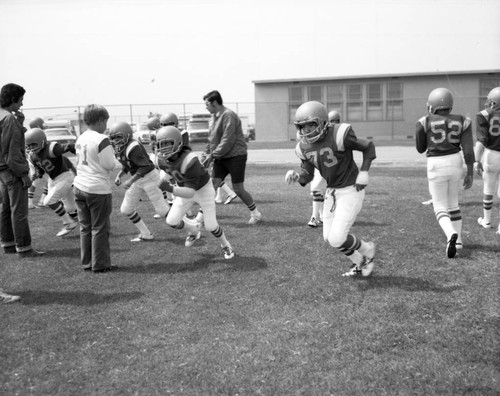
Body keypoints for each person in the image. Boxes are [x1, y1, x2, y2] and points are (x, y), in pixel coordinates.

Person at [285, 101, 376, 277]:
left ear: (323, 122)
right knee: (329, 238)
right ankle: (361, 262)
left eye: (310, 125)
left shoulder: (339, 134)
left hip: (350, 189)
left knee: (337, 238)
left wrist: (363, 172)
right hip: (332, 191)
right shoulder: (303, 147)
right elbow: (307, 174)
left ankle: (367, 249)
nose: (305, 131)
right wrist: (297, 176)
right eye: (301, 127)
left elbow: (368, 147)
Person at [155, 125, 234, 259]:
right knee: (172, 221)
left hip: (203, 190)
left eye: (168, 144)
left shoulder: (190, 160)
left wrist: (169, 188)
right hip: (184, 188)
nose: (164, 149)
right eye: (161, 145)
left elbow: (190, 193)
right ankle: (194, 228)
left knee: (211, 226)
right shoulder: (162, 160)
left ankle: (226, 245)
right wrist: (165, 179)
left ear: (178, 143)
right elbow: (170, 171)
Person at [416, 88, 474, 257]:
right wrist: (470, 171)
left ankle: (451, 235)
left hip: (436, 162)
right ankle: (460, 241)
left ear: (431, 104)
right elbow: (468, 150)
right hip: (455, 160)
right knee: (453, 203)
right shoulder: (463, 120)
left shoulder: (424, 121)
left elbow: (420, 148)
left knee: (439, 205)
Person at [201, 90, 262, 224]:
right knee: (212, 186)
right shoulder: (215, 117)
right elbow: (212, 140)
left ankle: (256, 214)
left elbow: (227, 140)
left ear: (215, 102)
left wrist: (212, 156)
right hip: (221, 157)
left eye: (207, 104)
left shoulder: (229, 115)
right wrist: (206, 155)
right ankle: (200, 218)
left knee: (238, 189)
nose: (205, 107)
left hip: (236, 156)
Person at [0, 83, 45, 258]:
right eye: (20, 100)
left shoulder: (6, 118)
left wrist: (19, 123)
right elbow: (12, 151)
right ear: (13, 99)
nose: (21, 104)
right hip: (12, 170)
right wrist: (23, 174)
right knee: (19, 210)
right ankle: (24, 248)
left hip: (2, 170)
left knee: (5, 209)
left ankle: (8, 244)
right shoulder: (8, 119)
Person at [73, 104, 117, 272]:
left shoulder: (81, 137)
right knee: (100, 228)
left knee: (85, 228)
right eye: (105, 121)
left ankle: (87, 262)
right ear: (100, 120)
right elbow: (110, 164)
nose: (106, 125)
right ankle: (101, 264)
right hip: (97, 188)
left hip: (79, 185)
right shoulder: (101, 139)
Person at [109, 121, 170, 241]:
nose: (115, 140)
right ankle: (146, 234)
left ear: (127, 135)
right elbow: (128, 164)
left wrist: (131, 180)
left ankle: (192, 227)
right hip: (138, 179)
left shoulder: (133, 146)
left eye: (118, 137)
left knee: (162, 211)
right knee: (126, 209)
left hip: (150, 178)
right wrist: (120, 175)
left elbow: (146, 166)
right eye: (113, 137)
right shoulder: (121, 148)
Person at [25, 127, 79, 237]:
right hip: (53, 179)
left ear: (43, 141)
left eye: (34, 144)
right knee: (70, 207)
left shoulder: (51, 148)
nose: (31, 148)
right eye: (29, 145)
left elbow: (69, 147)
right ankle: (87, 220)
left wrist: (79, 154)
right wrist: (37, 173)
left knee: (48, 201)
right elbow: (39, 168)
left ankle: (69, 223)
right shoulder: (32, 155)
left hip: (64, 177)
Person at [307, 110, 342, 228]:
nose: (335, 123)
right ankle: (321, 216)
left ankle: (314, 217)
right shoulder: (329, 132)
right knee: (320, 190)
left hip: (326, 165)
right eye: (332, 121)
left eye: (337, 121)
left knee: (318, 190)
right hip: (322, 164)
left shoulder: (334, 133)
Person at [474, 86, 500, 235]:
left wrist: (477, 160)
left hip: (491, 154)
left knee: (488, 187)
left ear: (494, 103)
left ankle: (487, 220)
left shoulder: (484, 115)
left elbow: (481, 140)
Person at [27, 117, 49, 208]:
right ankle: (41, 201)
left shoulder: (29, 134)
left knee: (36, 180)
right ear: (37, 125)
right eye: (41, 123)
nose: (43, 125)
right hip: (37, 158)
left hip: (32, 159)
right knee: (51, 178)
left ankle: (32, 202)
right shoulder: (37, 134)